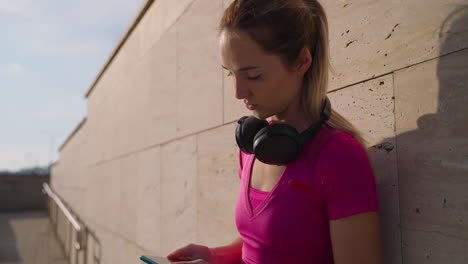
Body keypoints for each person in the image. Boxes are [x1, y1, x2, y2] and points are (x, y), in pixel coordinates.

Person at [167, 0, 385, 263]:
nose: (238, 93)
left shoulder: (339, 156)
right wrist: (215, 256)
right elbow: (265, 245)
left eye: (254, 76)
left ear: (302, 61)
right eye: (231, 74)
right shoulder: (252, 148)